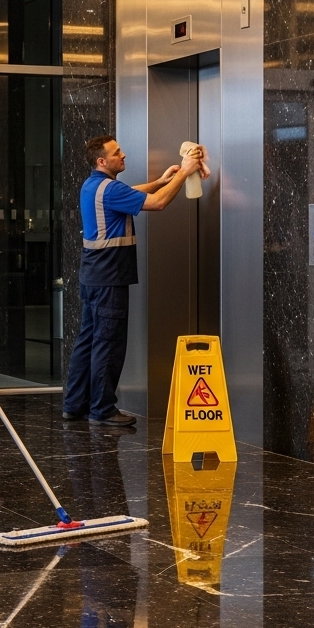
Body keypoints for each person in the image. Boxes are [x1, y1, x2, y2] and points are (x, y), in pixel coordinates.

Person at [63, 136, 208, 426]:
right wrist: (183, 171)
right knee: (108, 343)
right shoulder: (110, 188)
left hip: (93, 276)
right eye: (117, 153)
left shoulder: (94, 185)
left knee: (88, 340)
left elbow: (132, 193)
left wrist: (163, 179)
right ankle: (102, 409)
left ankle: (74, 404)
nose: (123, 155)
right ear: (102, 161)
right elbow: (157, 204)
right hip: (110, 276)